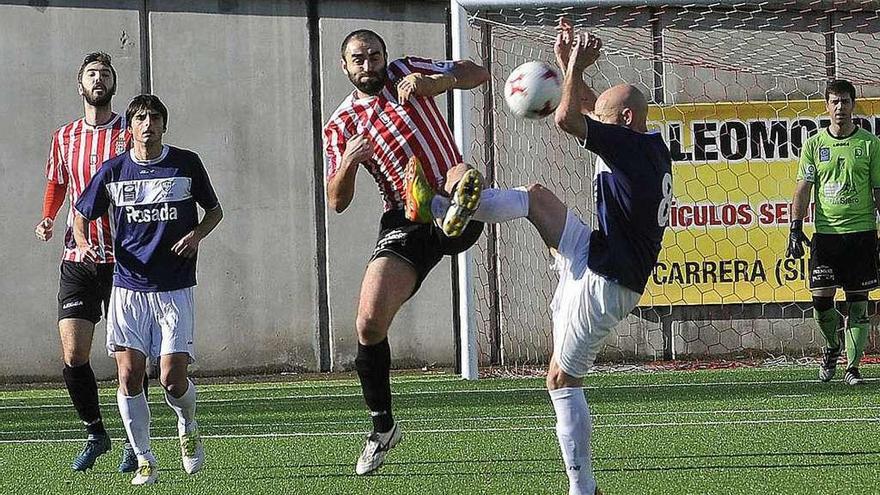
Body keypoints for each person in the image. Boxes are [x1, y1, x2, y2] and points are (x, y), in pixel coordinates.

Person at [410, 22, 671, 494]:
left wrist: (573, 67)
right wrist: (566, 61)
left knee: (560, 378)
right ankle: (445, 210)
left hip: (607, 279)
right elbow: (588, 107)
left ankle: (582, 487)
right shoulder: (643, 142)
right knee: (536, 197)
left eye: (607, 110)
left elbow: (568, 118)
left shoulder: (627, 146)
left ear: (625, 120)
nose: (597, 108)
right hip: (598, 250)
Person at [323, 29, 490, 475]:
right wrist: (349, 162)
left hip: (449, 190)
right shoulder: (341, 125)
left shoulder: (407, 71)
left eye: (375, 56)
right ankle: (382, 426)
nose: (369, 65)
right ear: (345, 66)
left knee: (460, 174)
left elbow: (479, 72)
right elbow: (336, 201)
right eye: (359, 59)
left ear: (385, 57)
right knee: (368, 321)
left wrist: (437, 83)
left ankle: (455, 210)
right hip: (404, 219)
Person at [73, 94, 223, 485]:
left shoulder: (185, 163)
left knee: (172, 380)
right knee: (129, 376)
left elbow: (215, 211)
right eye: (140, 118)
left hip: (174, 288)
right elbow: (80, 215)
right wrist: (84, 242)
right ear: (131, 127)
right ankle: (145, 459)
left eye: (154, 118)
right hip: (127, 289)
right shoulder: (114, 170)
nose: (148, 124)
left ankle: (187, 424)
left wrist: (196, 235)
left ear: (163, 125)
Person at [33, 51, 144, 472]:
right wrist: (47, 217)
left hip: (126, 261)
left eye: (105, 74)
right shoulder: (64, 137)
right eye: (91, 74)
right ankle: (96, 432)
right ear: (80, 85)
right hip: (77, 258)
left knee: (127, 360)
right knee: (74, 354)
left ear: (113, 84)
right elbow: (57, 183)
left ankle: (137, 441)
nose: (98, 79)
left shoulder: (129, 132)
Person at [786, 79, 880, 386]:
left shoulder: (869, 144)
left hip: (861, 233)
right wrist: (795, 227)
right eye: (835, 102)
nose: (840, 107)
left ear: (854, 105)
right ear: (827, 107)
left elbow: (878, 190)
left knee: (858, 302)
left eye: (845, 102)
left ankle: (852, 367)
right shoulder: (814, 144)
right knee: (821, 300)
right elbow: (803, 189)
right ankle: (830, 347)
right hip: (826, 236)